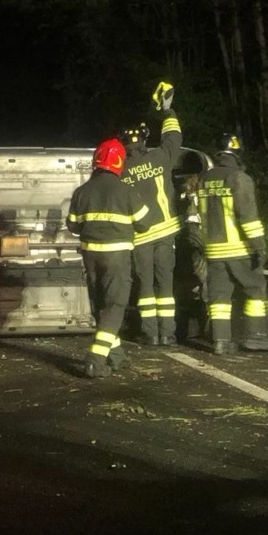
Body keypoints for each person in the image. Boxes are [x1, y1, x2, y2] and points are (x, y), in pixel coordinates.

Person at [67, 138, 152, 378]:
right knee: (114, 306)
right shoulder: (126, 191)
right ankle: (95, 359)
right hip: (117, 256)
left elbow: (73, 226)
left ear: (96, 160)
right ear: (119, 162)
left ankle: (115, 356)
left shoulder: (81, 192)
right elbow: (144, 223)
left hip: (91, 256)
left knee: (100, 305)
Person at [196, 133, 268, 355]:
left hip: (213, 250)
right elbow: (247, 216)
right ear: (237, 154)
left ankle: (221, 341)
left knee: (220, 297)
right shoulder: (239, 178)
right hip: (239, 248)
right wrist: (258, 246)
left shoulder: (205, 178)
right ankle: (257, 336)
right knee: (255, 290)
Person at [118, 81, 183, 346]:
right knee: (165, 286)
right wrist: (168, 112)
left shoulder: (120, 173)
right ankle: (168, 333)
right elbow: (174, 138)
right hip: (166, 233)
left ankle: (150, 334)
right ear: (145, 139)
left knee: (145, 289)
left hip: (141, 237)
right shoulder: (160, 158)